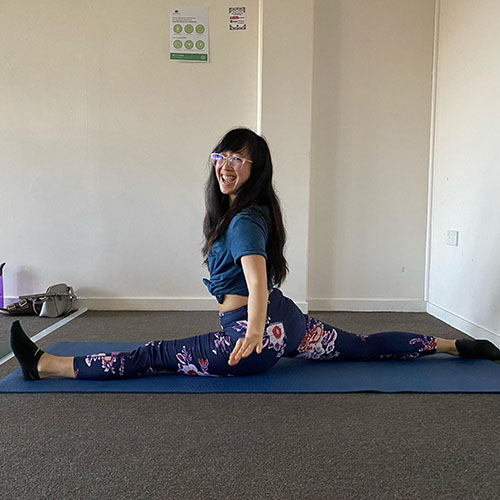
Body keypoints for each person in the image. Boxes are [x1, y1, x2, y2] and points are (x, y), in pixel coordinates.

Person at [9, 127, 500, 381]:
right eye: (222, 156)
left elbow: (258, 281)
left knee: (153, 355)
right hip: (291, 326)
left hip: (253, 333)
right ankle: (454, 345)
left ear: (255, 168)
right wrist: (273, 329)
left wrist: (256, 334)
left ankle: (45, 366)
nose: (226, 166)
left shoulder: (243, 220)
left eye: (238, 159)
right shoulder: (254, 212)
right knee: (363, 344)